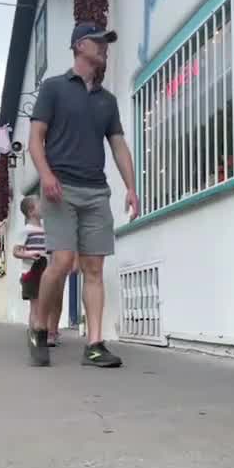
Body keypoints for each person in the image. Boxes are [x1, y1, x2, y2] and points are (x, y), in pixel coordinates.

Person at [26, 22, 139, 368]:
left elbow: (118, 146)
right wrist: (45, 175)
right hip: (60, 189)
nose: (105, 47)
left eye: (107, 43)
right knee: (60, 262)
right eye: (99, 42)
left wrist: (132, 188)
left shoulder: (107, 101)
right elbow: (35, 139)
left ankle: (94, 344)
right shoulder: (54, 88)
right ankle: (39, 328)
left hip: (95, 193)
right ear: (78, 46)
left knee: (93, 268)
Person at [12, 196, 48, 336]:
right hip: (31, 271)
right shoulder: (26, 230)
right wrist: (29, 255)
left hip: (45, 269)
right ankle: (34, 334)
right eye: (40, 205)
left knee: (43, 302)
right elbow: (16, 251)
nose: (44, 207)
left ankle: (40, 332)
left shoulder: (45, 229)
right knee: (35, 304)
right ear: (31, 211)